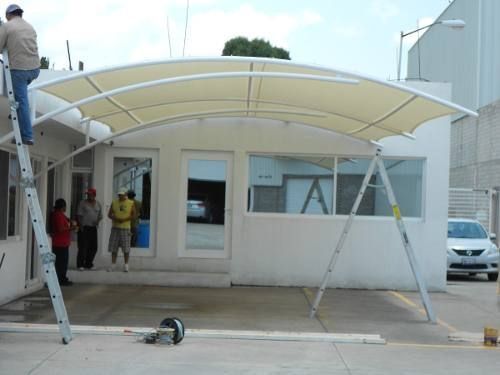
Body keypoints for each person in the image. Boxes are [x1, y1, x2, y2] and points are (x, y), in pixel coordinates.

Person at [0, 4, 40, 145]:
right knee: (18, 95)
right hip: (35, 70)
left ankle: (27, 136)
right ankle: (16, 109)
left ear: (9, 15)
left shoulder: (7, 26)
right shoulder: (30, 27)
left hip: (19, 70)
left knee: (22, 101)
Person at [50, 198, 77, 286]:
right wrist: (71, 228)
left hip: (61, 242)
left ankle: (61, 278)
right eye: (65, 206)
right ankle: (61, 279)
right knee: (61, 263)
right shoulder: (58, 215)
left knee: (61, 262)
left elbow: (66, 218)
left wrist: (70, 221)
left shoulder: (59, 214)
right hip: (60, 243)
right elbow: (61, 229)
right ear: (62, 207)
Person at [107, 188, 135, 272]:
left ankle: (126, 265)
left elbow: (134, 215)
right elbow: (109, 214)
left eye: (122, 194)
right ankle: (113, 264)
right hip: (115, 228)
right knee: (113, 247)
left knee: (126, 247)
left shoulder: (130, 203)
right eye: (119, 194)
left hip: (126, 228)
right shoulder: (114, 202)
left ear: (125, 194)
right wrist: (114, 218)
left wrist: (125, 219)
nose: (120, 196)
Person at [76, 188, 103, 270]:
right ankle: (80, 264)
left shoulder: (98, 203)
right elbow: (79, 215)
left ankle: (88, 264)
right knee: (83, 246)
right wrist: (80, 226)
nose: (88, 195)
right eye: (88, 194)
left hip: (93, 228)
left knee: (94, 247)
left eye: (90, 194)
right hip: (84, 227)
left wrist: (97, 221)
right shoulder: (82, 203)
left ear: (94, 195)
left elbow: (100, 216)